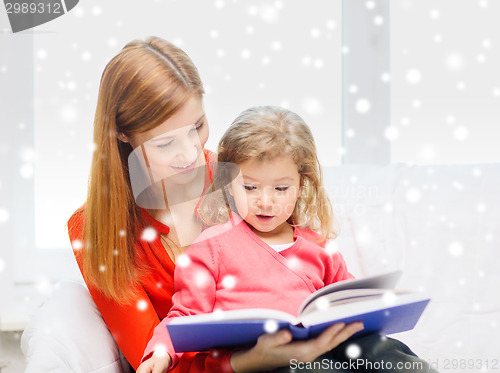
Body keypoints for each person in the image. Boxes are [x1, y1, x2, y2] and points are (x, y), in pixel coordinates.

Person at [67, 37, 362, 373]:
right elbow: (157, 364)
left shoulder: (241, 177)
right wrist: (247, 362)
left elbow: (303, 269)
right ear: (122, 134)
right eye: (166, 143)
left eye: (198, 127)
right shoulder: (94, 232)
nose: (192, 153)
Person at [137, 106, 438, 373]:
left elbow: (345, 297)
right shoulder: (210, 247)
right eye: (250, 187)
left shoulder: (317, 247)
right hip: (264, 361)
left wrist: (382, 301)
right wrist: (162, 351)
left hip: (329, 344)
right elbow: (185, 314)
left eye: (280, 189)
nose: (265, 202)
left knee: (380, 349)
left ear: (301, 184)